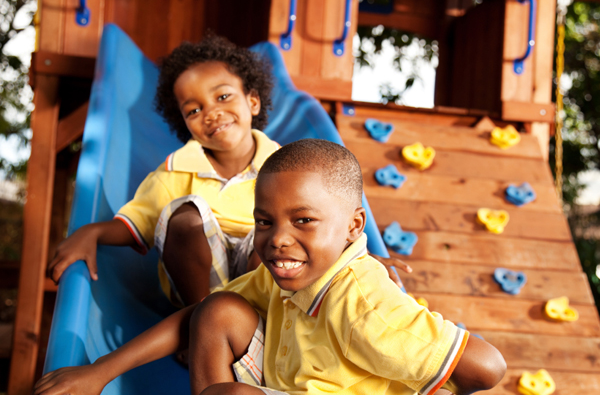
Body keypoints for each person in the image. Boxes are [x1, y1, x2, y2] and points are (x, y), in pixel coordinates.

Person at [35, 139, 506, 395]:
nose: (277, 238)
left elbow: (487, 367)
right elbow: (198, 317)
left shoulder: (365, 304)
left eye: (303, 220)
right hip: (287, 377)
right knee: (219, 309)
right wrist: (98, 372)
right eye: (265, 221)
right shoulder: (284, 271)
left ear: (352, 225)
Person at [46, 35, 410, 308]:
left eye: (223, 97)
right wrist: (91, 232)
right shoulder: (174, 172)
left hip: (271, 275)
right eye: (193, 110)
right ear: (184, 122)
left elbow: (320, 220)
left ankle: (256, 318)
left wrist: (355, 253)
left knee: (271, 233)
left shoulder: (287, 167)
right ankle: (199, 319)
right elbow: (136, 224)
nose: (211, 113)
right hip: (196, 286)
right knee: (184, 215)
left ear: (252, 101)